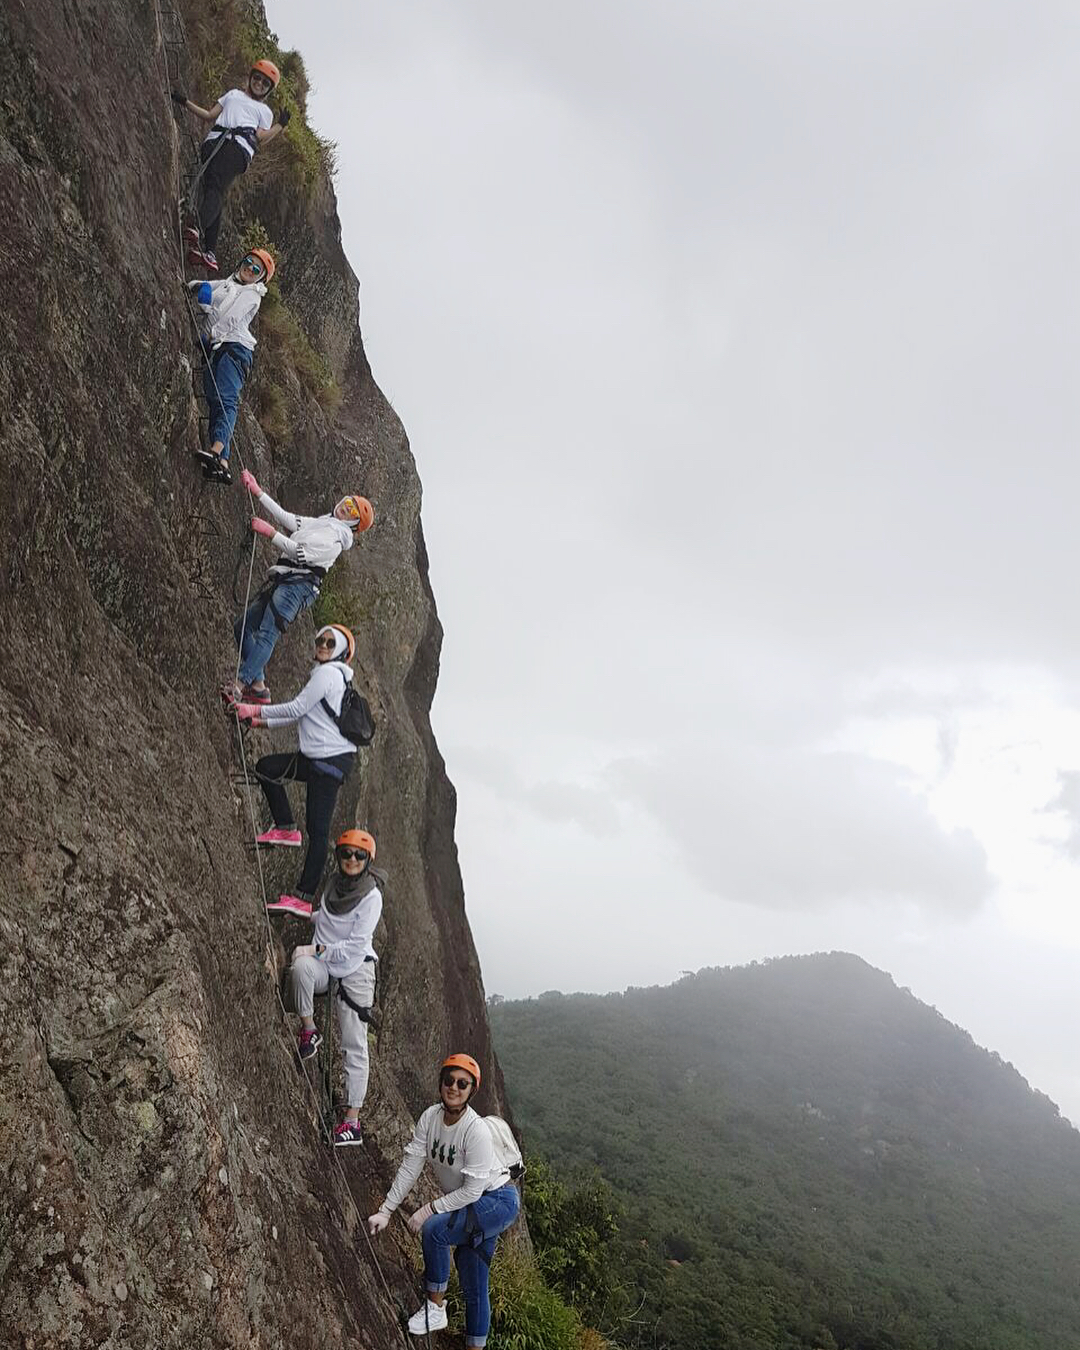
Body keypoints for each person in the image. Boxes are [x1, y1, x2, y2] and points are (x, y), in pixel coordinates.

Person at [367, 1055, 521, 1346]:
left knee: (435, 1229)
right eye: (449, 1080)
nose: (454, 1087)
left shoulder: (475, 1130)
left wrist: (429, 1209)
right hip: (477, 1204)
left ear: (471, 1090)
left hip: (497, 1201)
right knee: (473, 1277)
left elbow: (472, 1192)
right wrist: (386, 1211)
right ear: (440, 1083)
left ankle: (435, 1308)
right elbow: (411, 1166)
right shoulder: (430, 1118)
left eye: (463, 1084)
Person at [231, 624, 361, 917]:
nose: (323, 645)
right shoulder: (330, 677)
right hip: (318, 759)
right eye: (320, 640)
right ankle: (286, 828)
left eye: (330, 642)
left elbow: (296, 708)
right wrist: (259, 722)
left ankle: (303, 897)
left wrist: (254, 710)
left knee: (318, 831)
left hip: (328, 763)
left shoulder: (329, 674)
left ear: (341, 651)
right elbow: (301, 713)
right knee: (267, 768)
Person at [228, 467, 373, 705]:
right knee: (242, 626)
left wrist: (270, 532)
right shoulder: (325, 523)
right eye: (348, 503)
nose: (346, 509)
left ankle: (239, 686)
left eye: (352, 513)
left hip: (297, 587)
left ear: (353, 524)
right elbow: (289, 519)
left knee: (267, 634)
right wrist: (258, 491)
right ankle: (258, 686)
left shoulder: (336, 540)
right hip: (285, 579)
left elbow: (300, 553)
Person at [285, 829, 385, 1146]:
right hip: (327, 964)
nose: (351, 859)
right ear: (338, 856)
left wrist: (314, 949)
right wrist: (304, 914)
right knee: (300, 969)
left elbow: (354, 946)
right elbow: (328, 919)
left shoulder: (371, 896)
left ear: (368, 860)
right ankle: (309, 1030)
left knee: (354, 1043)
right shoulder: (333, 885)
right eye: (346, 853)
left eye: (359, 855)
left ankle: (352, 1123)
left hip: (356, 969)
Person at [172, 60, 290, 272]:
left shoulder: (264, 111)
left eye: (265, 83)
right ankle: (209, 250)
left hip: (237, 148)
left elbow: (260, 137)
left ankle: (197, 226)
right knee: (213, 189)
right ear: (251, 77)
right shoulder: (233, 94)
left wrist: (280, 125)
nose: (260, 84)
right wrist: (184, 101)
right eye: (257, 78)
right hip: (214, 142)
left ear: (269, 90)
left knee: (216, 185)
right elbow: (209, 115)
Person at [186, 248, 275, 484]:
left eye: (256, 269)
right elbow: (211, 287)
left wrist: (209, 334)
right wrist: (198, 286)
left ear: (260, 278)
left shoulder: (252, 294)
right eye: (248, 262)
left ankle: (216, 450)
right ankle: (222, 464)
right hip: (218, 347)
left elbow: (230, 318)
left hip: (235, 349)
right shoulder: (229, 284)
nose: (250, 269)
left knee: (225, 399)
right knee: (215, 400)